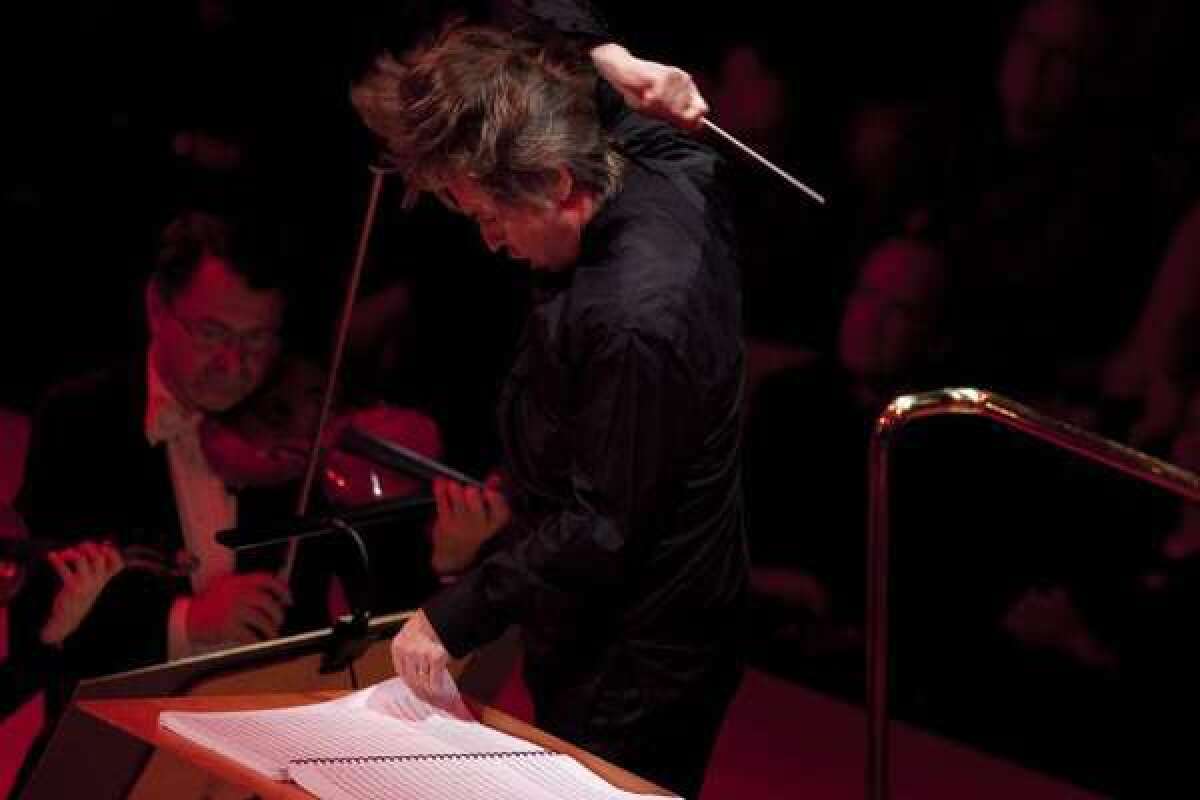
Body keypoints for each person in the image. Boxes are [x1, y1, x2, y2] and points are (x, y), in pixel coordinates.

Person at [353, 24, 747, 797]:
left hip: (638, 657)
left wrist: (453, 614)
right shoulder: (665, 157)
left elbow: (603, 527)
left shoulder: (637, 319)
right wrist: (615, 59)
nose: (490, 241)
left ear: (561, 185)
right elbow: (544, 13)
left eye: (488, 218)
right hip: (611, 614)